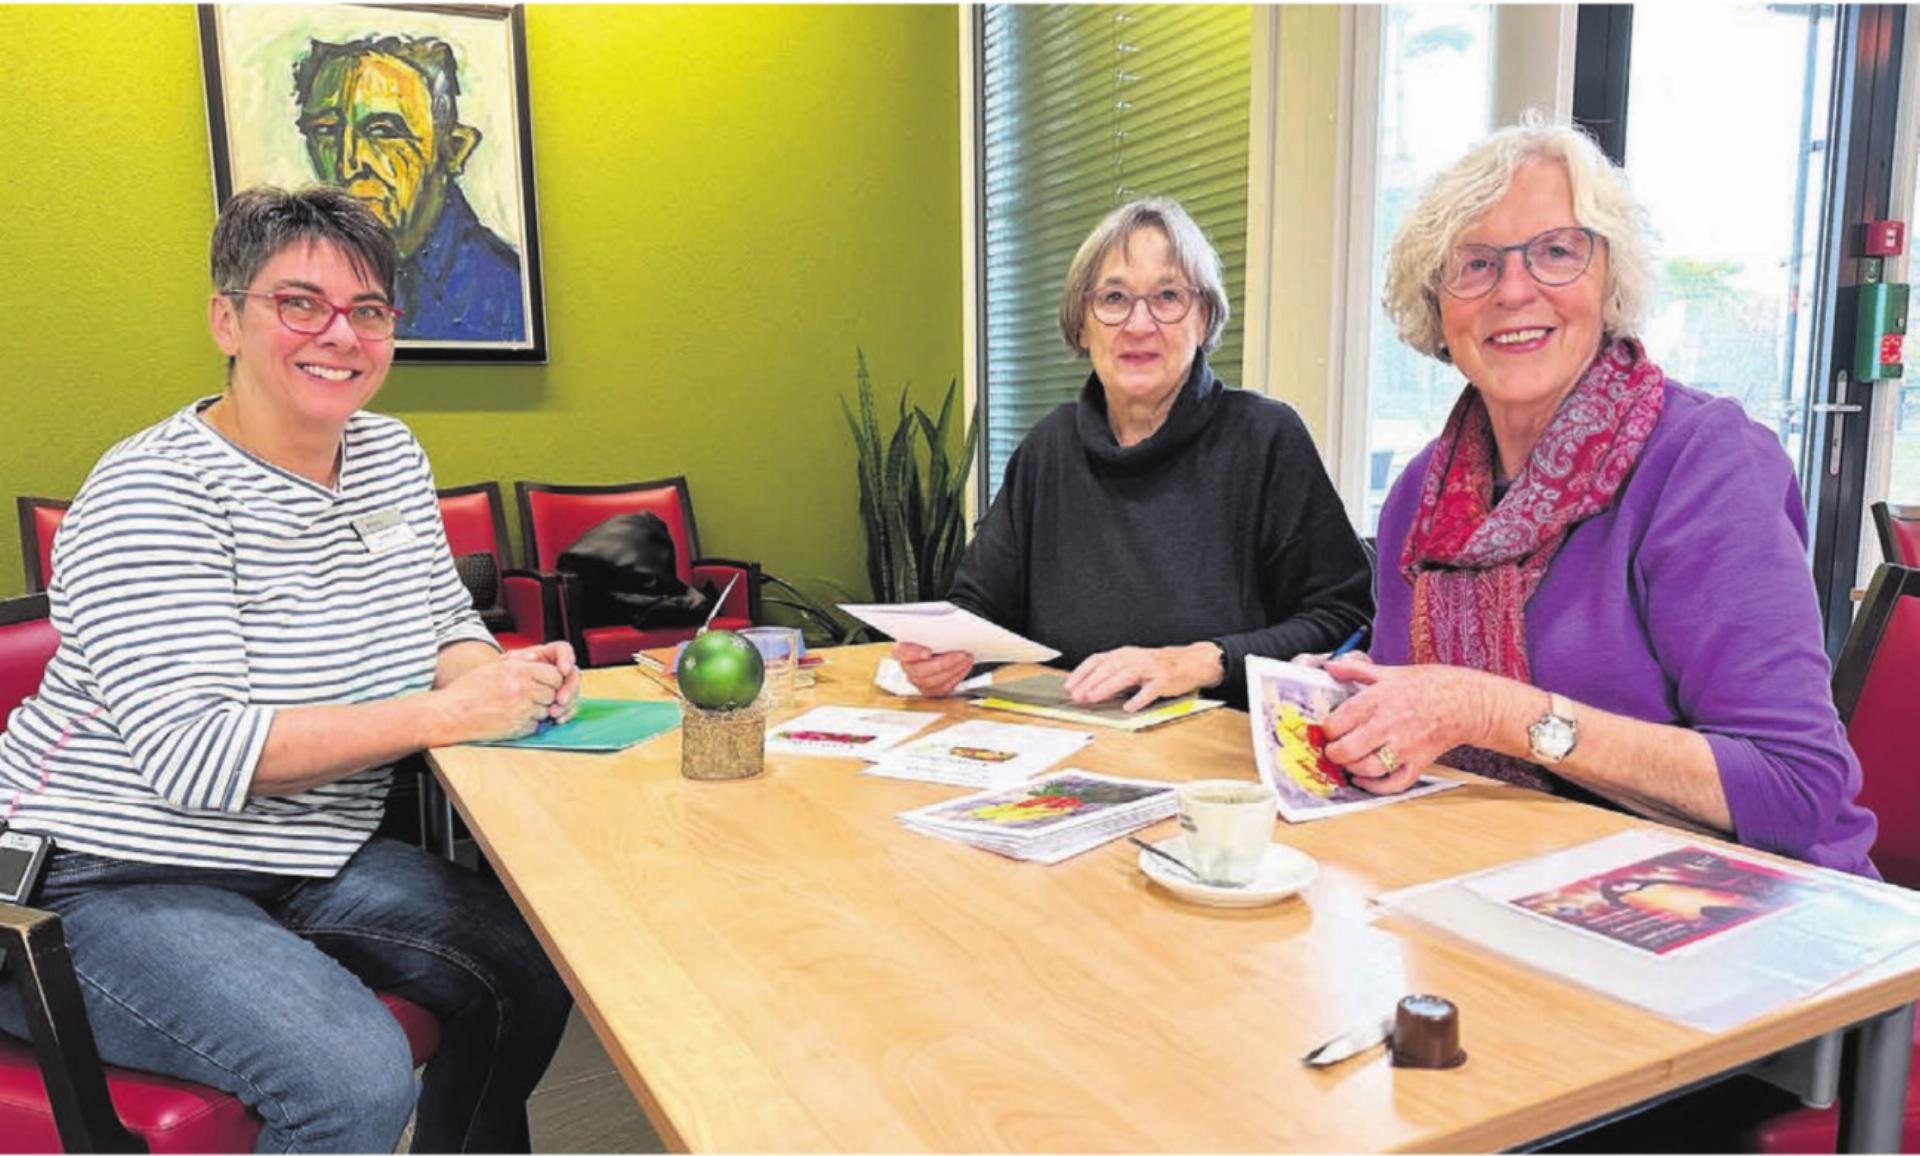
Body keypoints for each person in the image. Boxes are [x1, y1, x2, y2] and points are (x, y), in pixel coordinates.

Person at [0, 186, 576, 1151]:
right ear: (227, 318)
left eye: (369, 311)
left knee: (527, 965)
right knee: (348, 1079)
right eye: (299, 303)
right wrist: (451, 714)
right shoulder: (153, 491)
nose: (338, 335)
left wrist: (503, 683)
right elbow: (201, 755)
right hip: (98, 877)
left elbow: (443, 622)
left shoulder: (387, 453)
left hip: (301, 849)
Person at [1319, 121, 1876, 877]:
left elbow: (1793, 787)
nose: (1514, 290)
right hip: (1488, 886)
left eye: (1556, 251)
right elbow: (1409, 735)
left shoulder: (1706, 463)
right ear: (1437, 306)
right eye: (1475, 264)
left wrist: (1494, 711)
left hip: (1741, 915)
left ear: (1610, 281)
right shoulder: (1421, 494)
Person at [897, 197, 1372, 711]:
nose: (1139, 324)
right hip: (1064, 748)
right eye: (1115, 298)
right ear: (1082, 323)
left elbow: (1343, 621)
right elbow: (979, 609)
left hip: (1217, 768)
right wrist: (943, 656)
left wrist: (1199, 661)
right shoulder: (1047, 450)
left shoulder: (1265, 439)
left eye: (1168, 297)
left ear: (1204, 318)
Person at [294, 34, 527, 342]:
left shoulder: (505, 296)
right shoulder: (297, 284)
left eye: (384, 132)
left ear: (454, 149)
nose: (347, 163)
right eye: (326, 131)